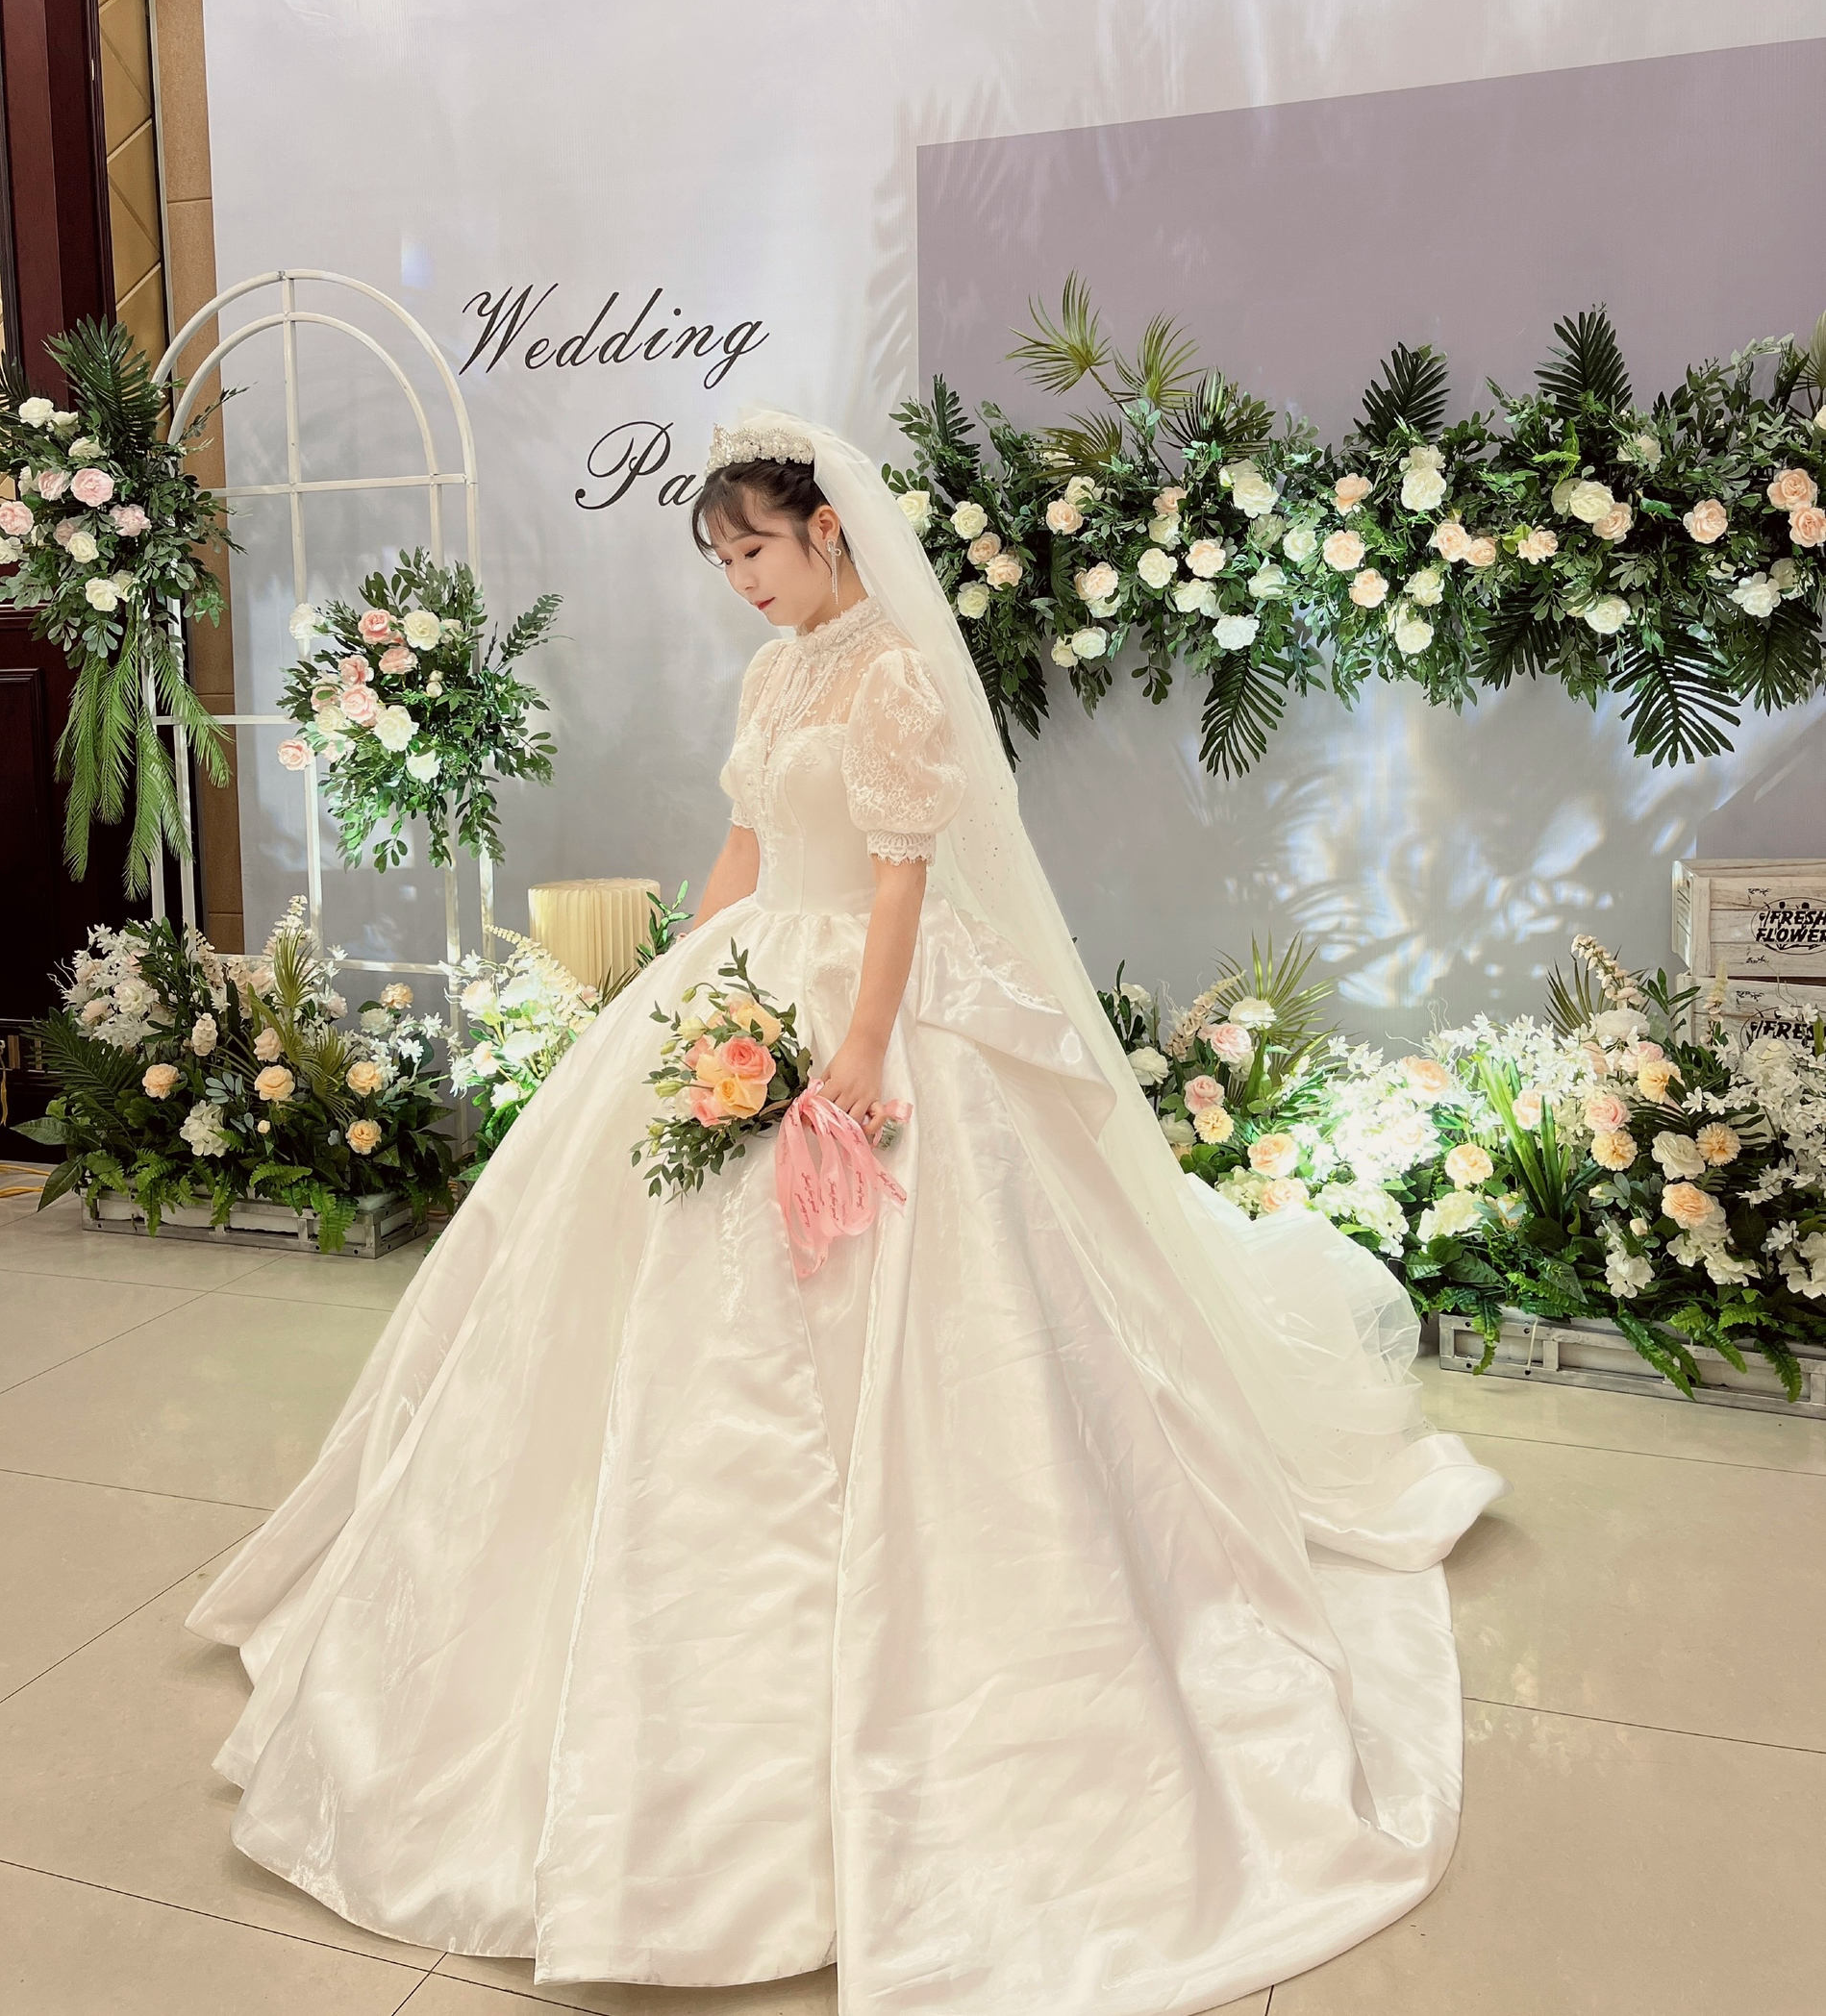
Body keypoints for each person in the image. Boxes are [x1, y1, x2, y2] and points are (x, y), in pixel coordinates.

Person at [187, 408, 1506, 2009]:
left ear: (826, 528)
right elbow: (747, 841)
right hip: (750, 976)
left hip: (871, 998)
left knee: (930, 1303)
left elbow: (899, 879)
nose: (739, 578)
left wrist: (863, 1050)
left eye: (753, 546)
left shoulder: (893, 674)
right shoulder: (773, 674)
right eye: (721, 558)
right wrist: (680, 987)